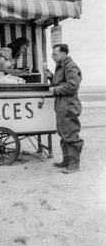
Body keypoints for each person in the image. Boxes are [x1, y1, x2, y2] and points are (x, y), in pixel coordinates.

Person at [44, 44, 84, 174]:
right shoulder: (61, 65)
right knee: (64, 133)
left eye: (55, 53)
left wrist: (54, 89)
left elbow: (72, 86)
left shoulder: (70, 65)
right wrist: (51, 76)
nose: (52, 56)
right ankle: (67, 161)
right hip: (63, 104)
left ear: (64, 53)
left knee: (71, 134)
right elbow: (61, 82)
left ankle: (74, 164)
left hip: (69, 105)